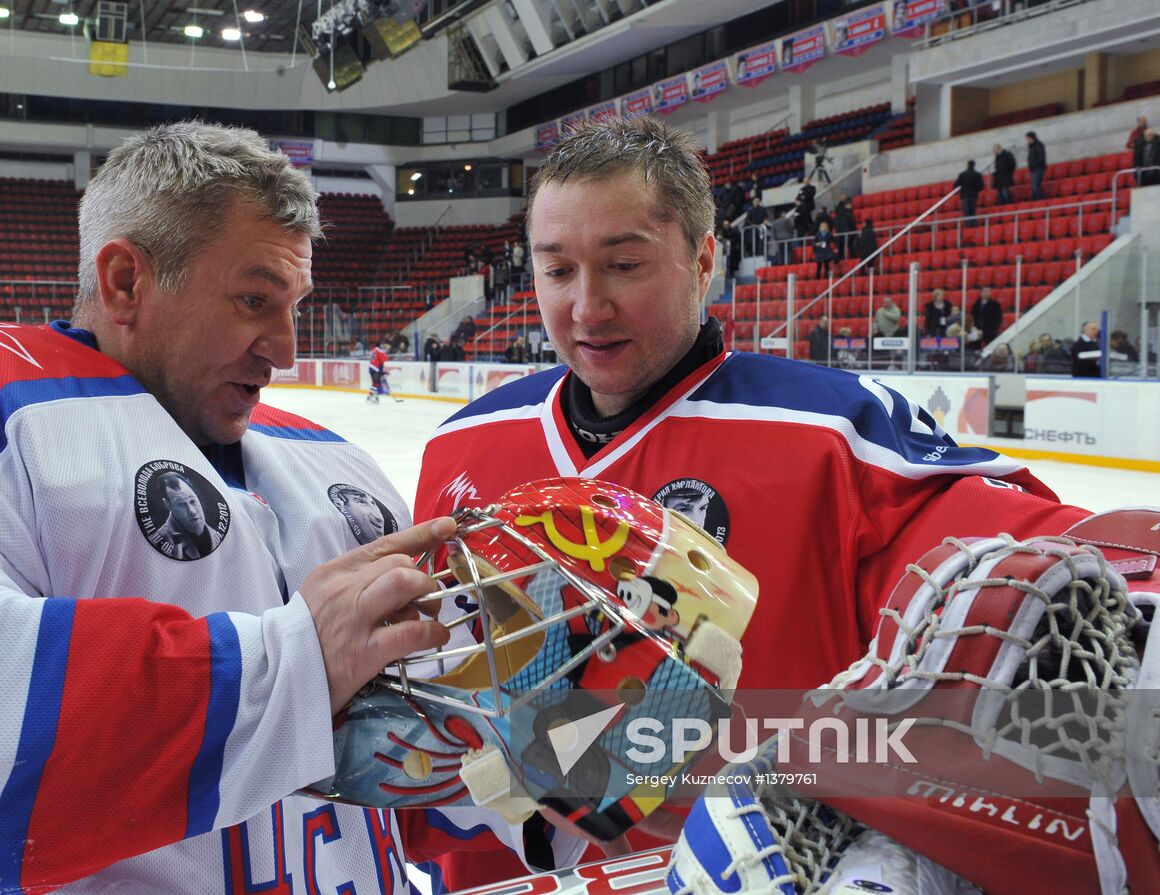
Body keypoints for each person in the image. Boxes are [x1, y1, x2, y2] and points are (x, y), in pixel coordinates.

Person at [0, 122, 499, 892]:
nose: (285, 347)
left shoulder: (335, 459)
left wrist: (569, 762)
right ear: (124, 282)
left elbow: (416, 774)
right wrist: (290, 665)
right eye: (254, 299)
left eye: (294, 305)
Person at [411, 116, 1108, 892]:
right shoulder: (462, 449)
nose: (587, 306)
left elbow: (1057, 576)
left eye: (625, 264)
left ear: (703, 259)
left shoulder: (835, 435)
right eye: (557, 271)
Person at [1025, 130, 1047, 200]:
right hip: (1034, 169)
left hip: (1038, 168)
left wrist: (1034, 164)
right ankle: (1035, 199)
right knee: (1034, 185)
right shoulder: (1031, 146)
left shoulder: (1039, 145)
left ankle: (1039, 199)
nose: (1027, 140)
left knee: (1035, 185)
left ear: (1032, 138)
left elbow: (1041, 157)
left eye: (1027, 138)